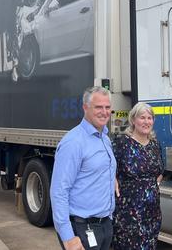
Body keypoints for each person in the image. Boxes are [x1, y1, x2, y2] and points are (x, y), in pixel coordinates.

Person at [50, 86, 116, 250]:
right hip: (81, 228)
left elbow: (97, 168)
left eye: (107, 107)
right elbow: (59, 191)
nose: (104, 112)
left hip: (104, 225)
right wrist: (68, 236)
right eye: (98, 107)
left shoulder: (105, 139)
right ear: (85, 108)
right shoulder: (73, 143)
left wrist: (111, 177)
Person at [112, 102, 164, 250]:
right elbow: (108, 167)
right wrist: (114, 180)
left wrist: (152, 186)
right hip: (129, 212)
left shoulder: (155, 145)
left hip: (152, 212)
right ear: (133, 120)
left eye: (149, 118)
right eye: (142, 117)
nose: (146, 122)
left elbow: (159, 171)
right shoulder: (121, 143)